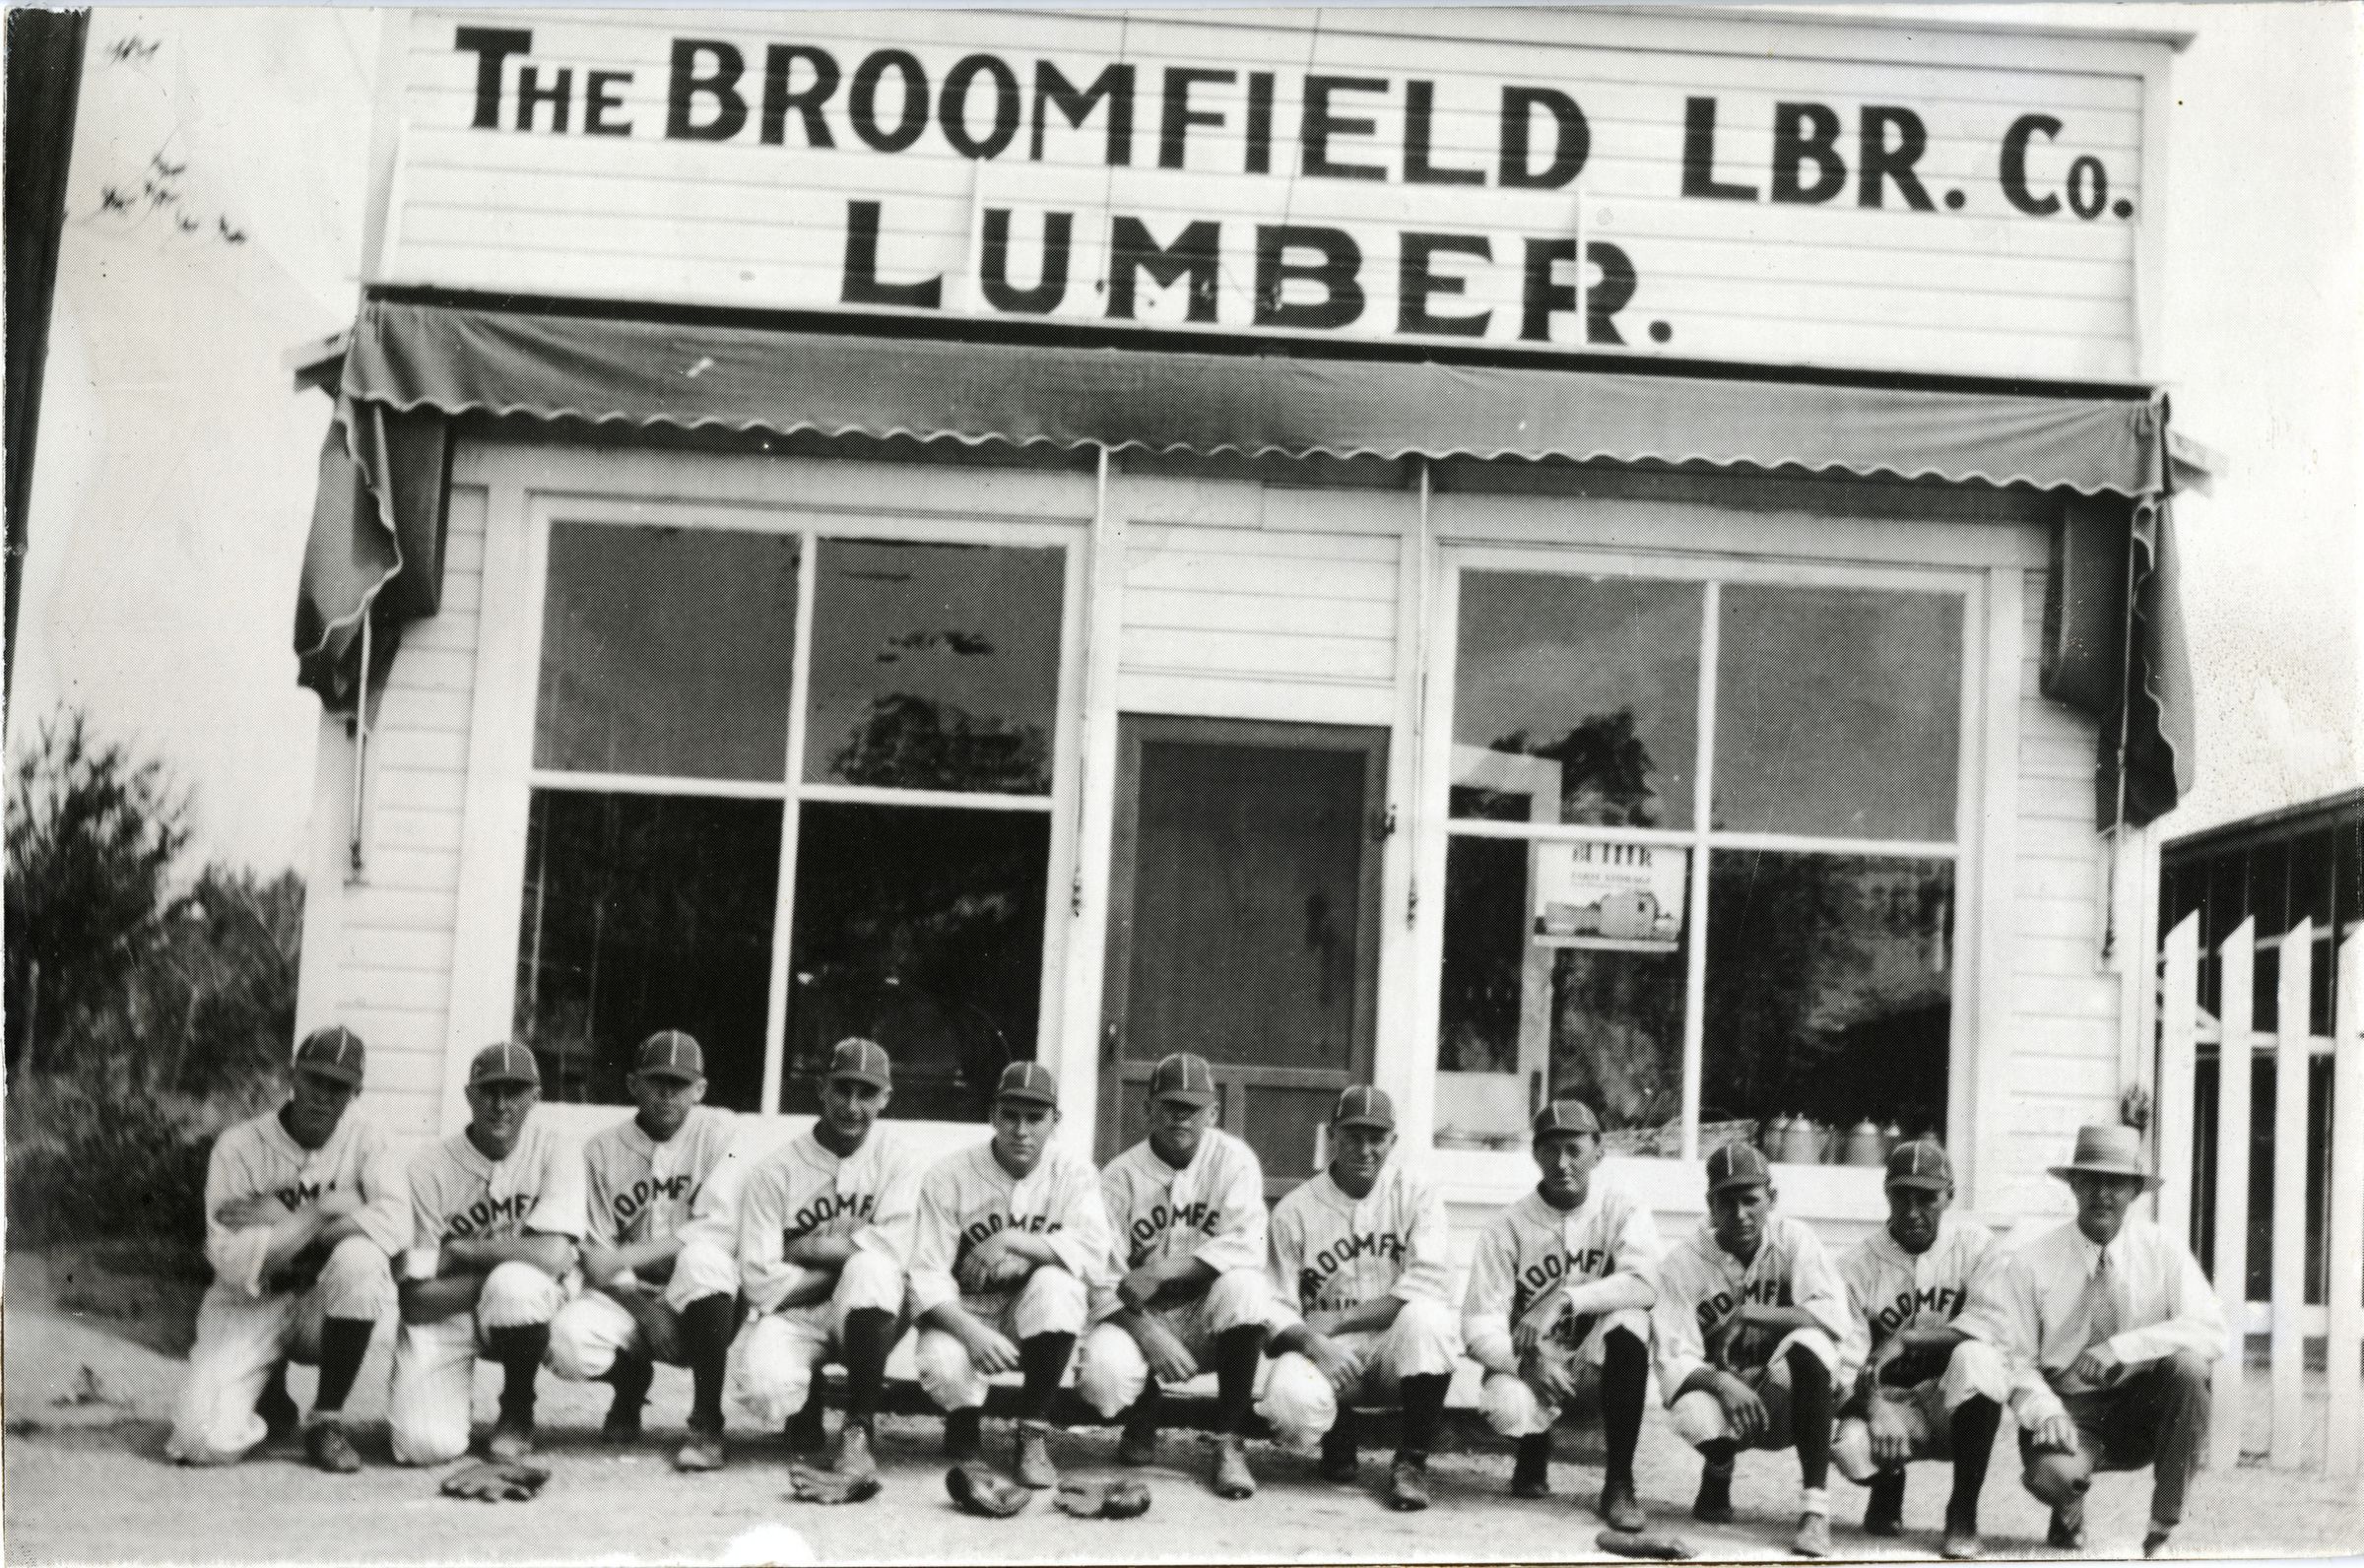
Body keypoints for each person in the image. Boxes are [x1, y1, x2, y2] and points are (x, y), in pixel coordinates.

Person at [1957, 1124, 2225, 1558]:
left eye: (2116, 1183)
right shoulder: (2032, 1261)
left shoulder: (2163, 1250)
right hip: (2069, 1409)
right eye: (2091, 1181)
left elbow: (2212, 1328)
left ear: (2135, 1191)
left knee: (2190, 1368)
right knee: (2053, 1476)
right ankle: (2068, 1504)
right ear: (2074, 1186)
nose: (2103, 1194)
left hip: (2140, 1406)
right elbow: (2014, 1358)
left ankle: (2161, 1527)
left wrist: (2122, 1348)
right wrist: (2045, 1410)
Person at [165, 1025, 409, 1472]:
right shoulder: (239, 1146)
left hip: (321, 1305)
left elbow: (396, 1226)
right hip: (249, 1303)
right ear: (293, 1076)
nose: (323, 1096)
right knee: (199, 1441)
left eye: (339, 1087)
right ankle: (271, 1396)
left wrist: (292, 1217)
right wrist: (324, 1211)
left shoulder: (370, 1139)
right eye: (315, 1080)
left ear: (355, 1093)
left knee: (362, 1260)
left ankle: (326, 1419)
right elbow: (230, 1260)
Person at [907, 1060, 1113, 1490]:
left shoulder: (1075, 1174)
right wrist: (970, 1332)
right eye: (1011, 1116)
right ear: (992, 1115)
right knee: (943, 1364)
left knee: (1059, 1285)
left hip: (1031, 1308)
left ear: (1054, 1121)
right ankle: (963, 1423)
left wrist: (1012, 1241)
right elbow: (926, 1272)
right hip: (967, 1311)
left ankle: (1032, 1432)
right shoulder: (949, 1175)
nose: (1021, 1130)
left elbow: (1095, 1254)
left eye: (1035, 1118)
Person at [1076, 1052, 1272, 1499]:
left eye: (1192, 1108)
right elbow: (1100, 1276)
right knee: (1103, 1377)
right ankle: (1143, 1412)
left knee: (1247, 1286)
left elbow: (1247, 1245)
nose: (1180, 1117)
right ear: (1147, 1108)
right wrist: (1148, 1333)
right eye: (1169, 1106)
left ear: (1213, 1114)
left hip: (1207, 1311)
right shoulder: (1119, 1176)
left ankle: (1230, 1441)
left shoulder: (1234, 1161)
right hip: (1140, 1315)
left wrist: (1163, 1269)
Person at [546, 1030, 744, 1471]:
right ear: (633, 1084)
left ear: (700, 1090)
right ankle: (630, 1380)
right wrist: (643, 1308)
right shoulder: (601, 1150)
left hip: (702, 1295)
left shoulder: (721, 1135)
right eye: (657, 1082)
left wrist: (626, 1258)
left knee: (703, 1259)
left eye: (680, 1084)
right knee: (566, 1341)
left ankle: (707, 1422)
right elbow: (596, 1257)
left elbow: (719, 1231)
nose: (667, 1094)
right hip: (628, 1296)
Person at [1262, 1084, 1463, 1512]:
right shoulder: (1295, 1210)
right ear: (1332, 1135)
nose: (1365, 1149)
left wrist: (1338, 1321)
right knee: (1288, 1405)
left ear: (1393, 1141)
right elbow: (1275, 1308)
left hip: (1396, 1347)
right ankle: (1338, 1430)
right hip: (1329, 1352)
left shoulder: (1416, 1193)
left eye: (1377, 1138)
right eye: (1354, 1136)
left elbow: (1427, 1285)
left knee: (1430, 1319)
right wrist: (1315, 1343)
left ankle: (1412, 1462)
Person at [733, 1037, 926, 1480]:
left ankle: (859, 1428)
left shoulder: (899, 1161)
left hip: (866, 1306)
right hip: (797, 1312)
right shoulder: (774, 1172)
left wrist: (808, 1249)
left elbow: (896, 1250)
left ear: (885, 1098)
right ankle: (807, 1399)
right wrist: (847, 1260)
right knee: (764, 1390)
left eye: (867, 1093)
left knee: (872, 1270)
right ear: (822, 1089)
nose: (852, 1106)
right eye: (842, 1089)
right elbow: (759, 1283)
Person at [1462, 1099, 1659, 1530]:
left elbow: (1645, 1284)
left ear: (1598, 1151)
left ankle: (1619, 1481)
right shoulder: (1507, 1225)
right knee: (1506, 1406)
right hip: (1533, 1362)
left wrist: (1564, 1299)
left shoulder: (1622, 1209)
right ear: (1536, 1154)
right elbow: (1478, 1325)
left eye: (1574, 1149)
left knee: (1632, 1322)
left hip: (1596, 1360)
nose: (1562, 1162)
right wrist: (1523, 1363)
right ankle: (1532, 1448)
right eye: (1550, 1150)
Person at [1653, 1143, 1855, 1558]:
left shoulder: (1794, 1240)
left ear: (1771, 1198)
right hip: (1725, 1400)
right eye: (1727, 1202)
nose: (1740, 1213)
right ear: (1710, 1206)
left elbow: (1835, 1317)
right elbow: (1673, 1356)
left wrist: (1750, 1313)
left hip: (1786, 1390)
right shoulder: (1682, 1263)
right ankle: (1719, 1470)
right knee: (1691, 1412)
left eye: (1750, 1200)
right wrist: (1722, 1382)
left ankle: (1815, 1509)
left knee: (1814, 1345)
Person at [388, 1041, 585, 1466]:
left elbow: (554, 1255)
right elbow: (416, 1301)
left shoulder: (556, 1149)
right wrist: (501, 1272)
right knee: (424, 1446)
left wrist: (461, 1251)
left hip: (527, 1305)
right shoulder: (428, 1167)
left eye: (515, 1092)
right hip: (448, 1316)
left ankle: (517, 1410)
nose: (501, 1105)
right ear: (468, 1095)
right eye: (489, 1091)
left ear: (535, 1097)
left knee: (516, 1288)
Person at [1830, 1139, 2011, 1559]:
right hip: (1890, 1404)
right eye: (1901, 1196)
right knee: (1850, 1450)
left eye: (1926, 1198)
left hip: (1951, 1402)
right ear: (1886, 1194)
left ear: (1949, 1196)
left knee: (1979, 1358)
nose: (1912, 1211)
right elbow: (1843, 1361)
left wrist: (1907, 1338)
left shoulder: (1976, 1247)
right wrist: (1875, 1408)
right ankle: (1887, 1483)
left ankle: (1962, 1511)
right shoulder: (1856, 1264)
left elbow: (1994, 1326)